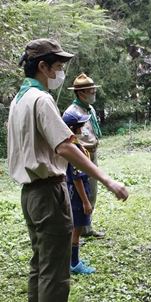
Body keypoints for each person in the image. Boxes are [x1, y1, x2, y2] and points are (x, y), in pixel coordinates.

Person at [8, 39, 128, 302]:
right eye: (58, 66)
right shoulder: (41, 99)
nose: (61, 71)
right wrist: (106, 179)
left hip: (30, 193)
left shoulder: (19, 99)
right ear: (42, 66)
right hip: (48, 192)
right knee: (56, 271)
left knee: (40, 264)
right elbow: (65, 147)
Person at [65, 74, 105, 240]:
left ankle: (87, 227)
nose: (93, 94)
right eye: (91, 91)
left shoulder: (90, 109)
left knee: (91, 190)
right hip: (79, 154)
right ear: (81, 93)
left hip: (92, 153)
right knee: (78, 190)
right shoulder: (72, 112)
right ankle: (76, 231)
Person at [62, 110, 96, 275]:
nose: (83, 129)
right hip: (77, 194)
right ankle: (74, 263)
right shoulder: (73, 148)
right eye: (81, 126)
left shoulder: (72, 144)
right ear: (71, 128)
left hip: (76, 191)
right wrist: (85, 201)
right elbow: (76, 178)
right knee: (76, 229)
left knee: (76, 228)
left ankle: (73, 259)